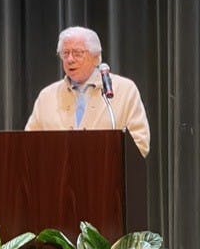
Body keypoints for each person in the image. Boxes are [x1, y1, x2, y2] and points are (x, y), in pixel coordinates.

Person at [25, 26, 150, 157]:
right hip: (56, 176)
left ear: (96, 57)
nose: (70, 59)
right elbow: (28, 145)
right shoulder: (47, 96)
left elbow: (140, 143)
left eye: (77, 53)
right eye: (65, 53)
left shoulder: (124, 90)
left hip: (105, 175)